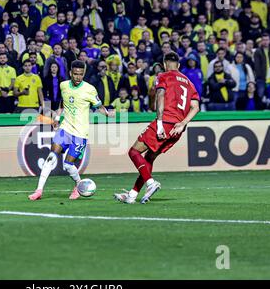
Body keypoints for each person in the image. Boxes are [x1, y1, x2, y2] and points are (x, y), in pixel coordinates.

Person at [114, 52, 200, 204]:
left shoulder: (163, 76)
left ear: (165, 64)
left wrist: (159, 123)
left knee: (134, 152)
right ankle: (132, 195)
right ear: (178, 65)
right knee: (149, 158)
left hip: (165, 121)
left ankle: (150, 183)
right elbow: (196, 107)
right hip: (177, 129)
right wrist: (182, 123)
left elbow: (160, 96)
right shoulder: (189, 82)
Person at [29, 60, 115, 201]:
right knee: (51, 156)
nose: (78, 77)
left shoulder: (89, 89)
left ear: (84, 74)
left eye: (81, 74)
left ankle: (78, 185)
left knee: (68, 166)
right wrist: (57, 118)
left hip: (80, 134)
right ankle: (39, 190)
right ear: (70, 73)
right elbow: (63, 103)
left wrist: (107, 114)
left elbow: (99, 105)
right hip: (65, 129)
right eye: (75, 74)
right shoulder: (64, 86)